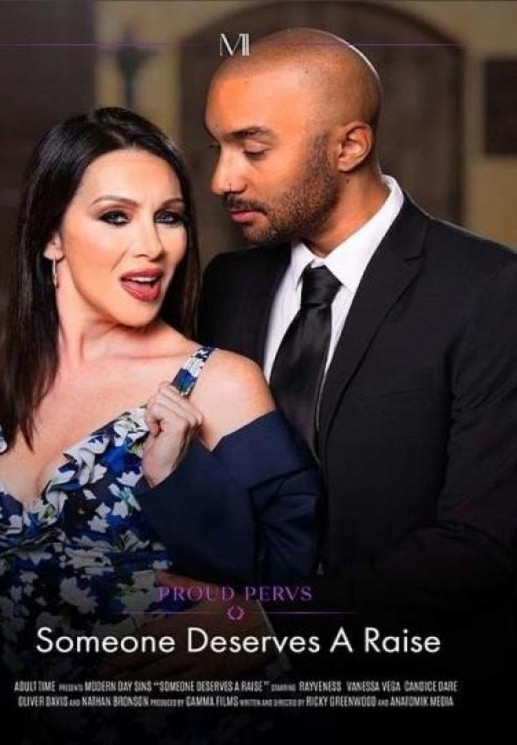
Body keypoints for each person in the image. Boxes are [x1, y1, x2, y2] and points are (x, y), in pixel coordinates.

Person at [144, 29, 517, 706]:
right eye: (218, 147)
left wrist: (270, 622)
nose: (223, 179)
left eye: (253, 148)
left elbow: (483, 542)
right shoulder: (227, 283)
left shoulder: (489, 289)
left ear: (349, 146)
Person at [0, 106, 319, 693]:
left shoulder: (219, 383)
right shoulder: (8, 376)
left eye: (169, 218)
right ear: (51, 237)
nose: (151, 245)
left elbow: (291, 587)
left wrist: (177, 476)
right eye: (116, 217)